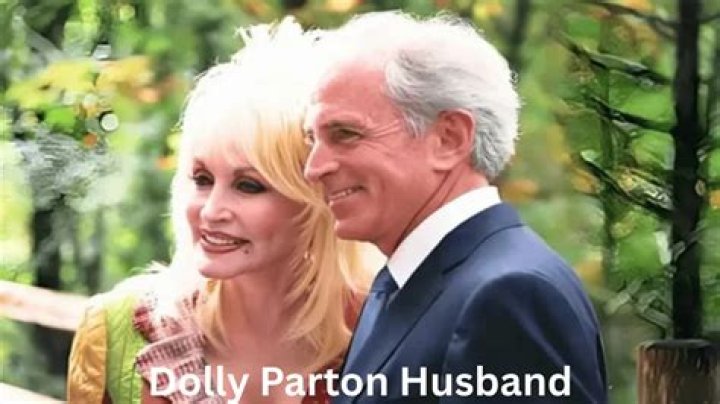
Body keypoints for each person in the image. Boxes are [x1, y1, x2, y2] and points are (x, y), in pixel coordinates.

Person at [302, 11, 607, 403]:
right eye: (312, 139)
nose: (314, 168)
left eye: (345, 134)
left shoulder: (508, 295)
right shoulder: (407, 280)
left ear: (449, 139)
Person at [67, 18, 373, 404]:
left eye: (248, 185)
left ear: (316, 198)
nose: (211, 211)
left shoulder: (383, 333)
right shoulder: (116, 331)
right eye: (202, 179)